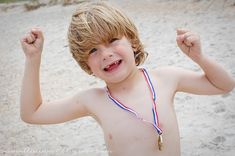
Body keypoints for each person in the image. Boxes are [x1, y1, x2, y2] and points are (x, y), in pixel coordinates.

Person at [20, 1, 235, 156]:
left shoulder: (166, 78)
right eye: (93, 50)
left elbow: (223, 85)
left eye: (113, 40)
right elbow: (32, 113)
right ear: (86, 64)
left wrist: (199, 57)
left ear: (132, 41)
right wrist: (33, 59)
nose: (106, 54)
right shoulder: (92, 100)